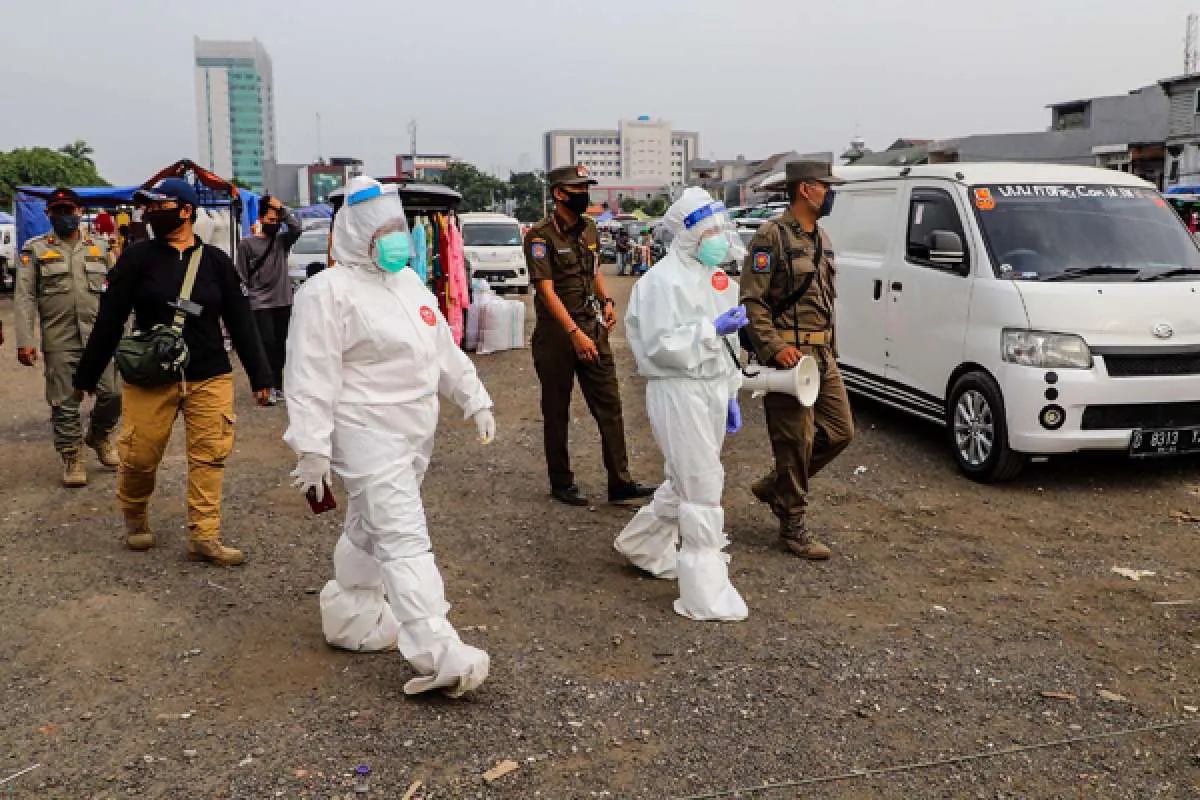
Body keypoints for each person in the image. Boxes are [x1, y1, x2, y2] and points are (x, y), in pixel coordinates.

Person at [285, 177, 496, 697]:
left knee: (369, 525)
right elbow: (310, 376)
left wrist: (475, 396)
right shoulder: (326, 292)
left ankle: (351, 614)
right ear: (357, 234)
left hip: (413, 432)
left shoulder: (410, 285)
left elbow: (442, 350)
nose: (396, 239)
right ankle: (437, 649)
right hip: (364, 431)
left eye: (399, 228)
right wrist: (310, 447)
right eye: (384, 231)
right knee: (403, 535)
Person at [73, 178, 273, 565]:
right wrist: (86, 376)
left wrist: (262, 377)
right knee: (140, 456)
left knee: (210, 455)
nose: (149, 212)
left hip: (210, 372)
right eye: (147, 207)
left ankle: (205, 535)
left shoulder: (216, 262)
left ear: (185, 210)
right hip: (152, 375)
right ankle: (134, 514)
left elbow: (241, 321)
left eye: (158, 205)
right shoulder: (137, 258)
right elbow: (110, 320)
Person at [615, 188, 750, 621]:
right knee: (703, 487)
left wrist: (730, 391)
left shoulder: (720, 280)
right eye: (710, 230)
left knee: (684, 480)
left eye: (721, 229)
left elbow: (730, 346)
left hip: (710, 388)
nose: (719, 239)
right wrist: (709, 330)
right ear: (688, 234)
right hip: (678, 388)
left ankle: (641, 544)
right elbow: (658, 347)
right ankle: (704, 591)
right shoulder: (661, 281)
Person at [740, 160, 854, 560]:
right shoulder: (771, 236)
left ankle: (777, 486)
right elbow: (752, 302)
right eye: (826, 186)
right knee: (794, 441)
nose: (830, 193)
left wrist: (830, 351)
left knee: (840, 431)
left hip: (822, 354)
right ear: (806, 189)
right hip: (790, 357)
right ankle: (792, 524)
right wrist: (773, 348)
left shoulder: (820, 237)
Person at [524, 165, 656, 507]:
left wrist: (607, 300)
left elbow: (594, 269)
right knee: (557, 410)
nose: (585, 194)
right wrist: (574, 334)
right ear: (559, 193)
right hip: (556, 335)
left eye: (586, 187)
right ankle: (561, 482)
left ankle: (620, 482)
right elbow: (546, 292)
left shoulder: (591, 229)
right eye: (578, 188)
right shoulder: (540, 236)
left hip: (590, 325)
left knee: (610, 405)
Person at [14, 187, 121, 487]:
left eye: (69, 210)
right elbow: (24, 298)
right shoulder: (34, 250)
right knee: (64, 401)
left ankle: (99, 436)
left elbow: (117, 295)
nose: (64, 216)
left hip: (99, 337)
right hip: (60, 338)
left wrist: (125, 335)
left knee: (113, 394)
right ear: (49, 214)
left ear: (79, 212)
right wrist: (25, 340)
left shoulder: (100, 248)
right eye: (58, 211)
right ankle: (72, 455)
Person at [236, 195, 302, 404]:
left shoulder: (282, 242)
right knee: (266, 344)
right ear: (261, 219)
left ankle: (278, 385)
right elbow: (241, 275)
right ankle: (267, 386)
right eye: (271, 220)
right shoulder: (247, 245)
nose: (274, 225)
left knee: (281, 346)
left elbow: (297, 229)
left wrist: (281, 209)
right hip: (259, 302)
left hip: (283, 300)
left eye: (277, 221)